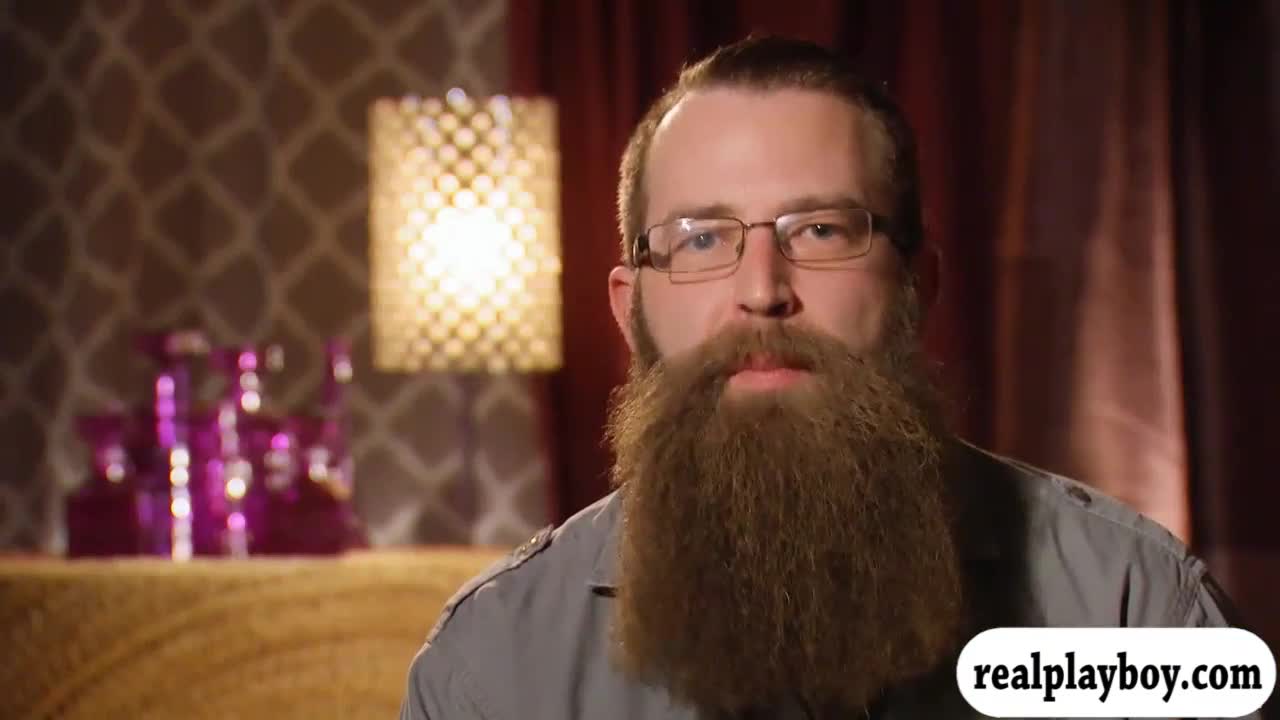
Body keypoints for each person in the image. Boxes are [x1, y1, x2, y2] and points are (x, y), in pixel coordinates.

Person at [399, 36, 1255, 719]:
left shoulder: (1137, 612)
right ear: (632, 309)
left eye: (821, 231)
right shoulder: (492, 671)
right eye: (701, 239)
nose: (763, 291)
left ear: (917, 287)